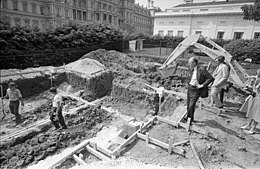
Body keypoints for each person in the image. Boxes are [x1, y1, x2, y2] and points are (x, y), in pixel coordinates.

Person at [184, 57, 214, 124]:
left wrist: (202, 85)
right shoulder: (191, 69)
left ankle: (189, 119)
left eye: (190, 63)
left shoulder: (201, 69)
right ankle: (189, 119)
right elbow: (191, 77)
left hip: (196, 89)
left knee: (192, 105)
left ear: (194, 63)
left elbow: (210, 78)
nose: (189, 64)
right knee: (189, 104)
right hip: (190, 88)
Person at [241, 69, 260, 134]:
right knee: (251, 111)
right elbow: (254, 89)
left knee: (257, 114)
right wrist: (248, 88)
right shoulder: (256, 80)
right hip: (253, 97)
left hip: (259, 99)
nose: (257, 75)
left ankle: (253, 128)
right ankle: (248, 125)